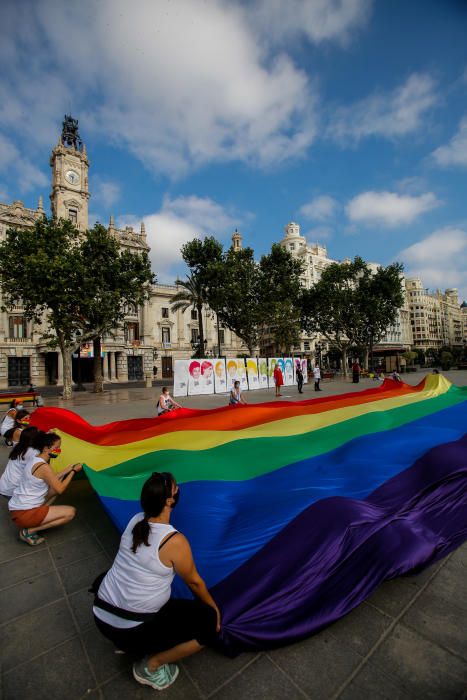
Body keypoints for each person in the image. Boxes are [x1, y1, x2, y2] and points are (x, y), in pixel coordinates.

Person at [93, 472, 220, 691]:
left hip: (101, 616)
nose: (179, 489)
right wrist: (214, 609)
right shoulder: (174, 541)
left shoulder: (136, 520)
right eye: (176, 488)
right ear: (170, 501)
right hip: (130, 629)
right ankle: (151, 666)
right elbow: (195, 583)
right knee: (209, 624)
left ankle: (127, 644)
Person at [8, 431, 82, 546]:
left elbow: (51, 478)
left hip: (18, 507)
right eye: (57, 447)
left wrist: (66, 470)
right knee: (70, 512)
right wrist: (73, 471)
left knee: (55, 488)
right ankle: (29, 531)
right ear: (46, 448)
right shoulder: (44, 467)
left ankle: (38, 516)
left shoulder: (35, 459)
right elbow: (60, 489)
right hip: (24, 513)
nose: (59, 450)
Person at [0, 426, 40, 498]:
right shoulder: (34, 452)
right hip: (14, 488)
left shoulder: (18, 445)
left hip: (4, 484)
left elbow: (19, 432)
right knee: (16, 507)